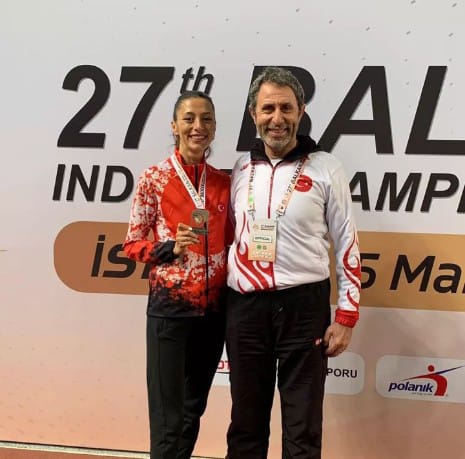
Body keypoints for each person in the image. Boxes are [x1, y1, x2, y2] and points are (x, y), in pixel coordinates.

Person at [225, 67, 361, 459]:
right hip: (246, 308)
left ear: (301, 111)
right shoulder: (240, 169)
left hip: (304, 308)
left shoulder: (326, 168)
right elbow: (229, 238)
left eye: (286, 108)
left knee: (302, 428)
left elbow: (347, 241)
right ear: (253, 114)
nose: (277, 118)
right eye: (268, 108)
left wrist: (347, 315)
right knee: (246, 425)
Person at [123, 90, 231, 459]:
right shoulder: (153, 178)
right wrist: (169, 248)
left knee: (191, 410)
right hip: (169, 310)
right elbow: (132, 244)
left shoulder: (224, 182)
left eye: (206, 119)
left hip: (213, 314)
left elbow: (233, 241)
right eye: (189, 118)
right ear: (174, 126)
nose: (198, 126)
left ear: (214, 127)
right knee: (167, 416)